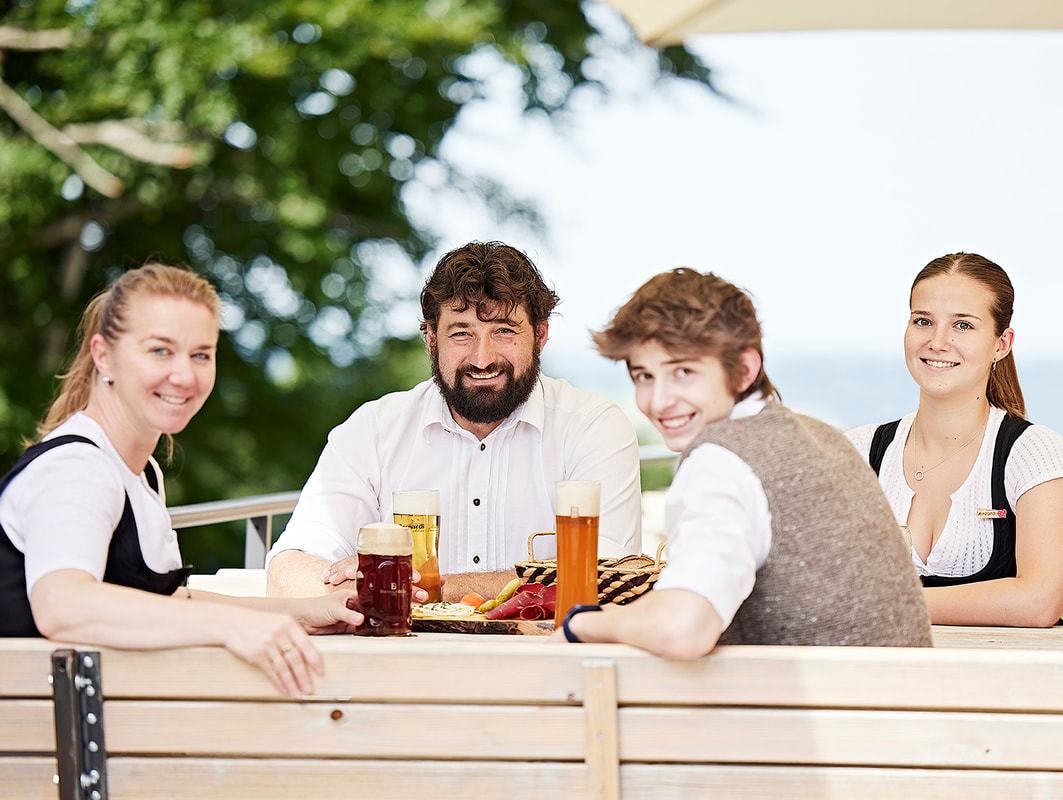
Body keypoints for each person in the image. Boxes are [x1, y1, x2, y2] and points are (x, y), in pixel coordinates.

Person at [0, 263, 365, 697]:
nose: (185, 376)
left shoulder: (142, 472)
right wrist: (233, 626)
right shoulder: (76, 467)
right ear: (103, 356)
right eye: (160, 351)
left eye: (200, 354)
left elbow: (166, 604)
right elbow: (63, 606)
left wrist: (300, 612)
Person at [557, 268, 932, 657]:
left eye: (683, 372)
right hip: (898, 703)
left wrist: (580, 622)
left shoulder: (720, 460)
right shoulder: (822, 436)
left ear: (744, 369)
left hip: (826, 713)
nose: (658, 401)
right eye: (644, 376)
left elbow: (682, 629)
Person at [265, 241, 643, 601]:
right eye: (461, 333)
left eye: (504, 331)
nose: (483, 358)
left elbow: (607, 575)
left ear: (541, 335)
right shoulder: (372, 430)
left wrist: (418, 588)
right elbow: (289, 567)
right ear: (431, 338)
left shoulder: (594, 427)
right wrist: (355, 592)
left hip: (547, 662)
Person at [846, 253, 1063, 627]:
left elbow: (1041, 601)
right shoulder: (857, 451)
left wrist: (891, 604)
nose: (937, 341)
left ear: (1001, 344)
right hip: (876, 682)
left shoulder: (1032, 452)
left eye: (962, 325)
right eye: (923, 321)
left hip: (1001, 685)